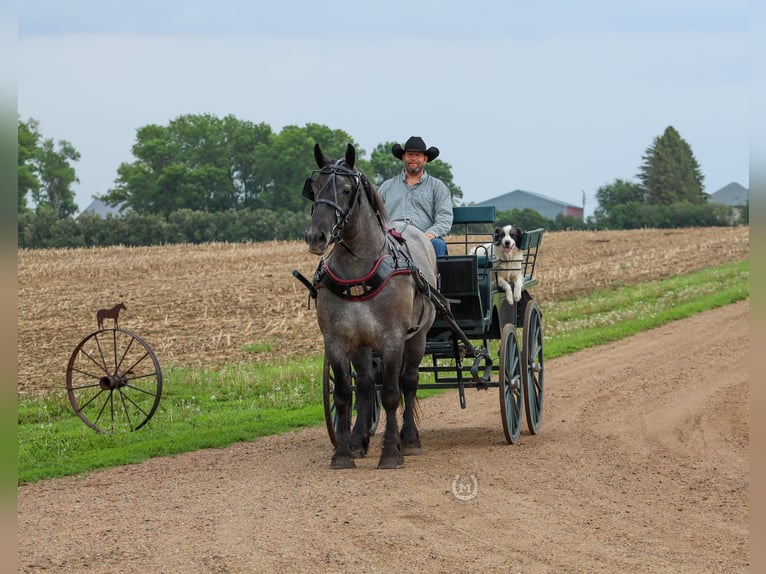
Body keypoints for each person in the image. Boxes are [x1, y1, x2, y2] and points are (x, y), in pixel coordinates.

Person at [378, 136, 453, 256]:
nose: (413, 158)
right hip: (392, 239)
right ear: (403, 157)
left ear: (425, 159)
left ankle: (439, 275)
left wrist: (429, 235)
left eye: (417, 155)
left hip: (424, 238)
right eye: (410, 154)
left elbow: (444, 218)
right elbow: (375, 214)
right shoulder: (386, 187)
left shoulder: (438, 187)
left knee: (438, 245)